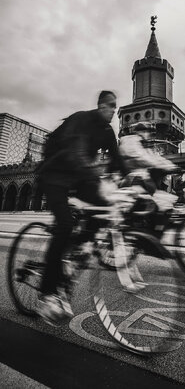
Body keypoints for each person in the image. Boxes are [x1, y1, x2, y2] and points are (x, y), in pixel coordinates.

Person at [36, 90, 127, 324]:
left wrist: (131, 180)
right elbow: (76, 153)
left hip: (80, 176)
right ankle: (47, 294)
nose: (113, 111)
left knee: (103, 211)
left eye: (115, 108)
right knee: (65, 224)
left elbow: (116, 160)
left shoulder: (107, 131)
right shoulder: (81, 119)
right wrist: (95, 175)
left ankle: (73, 253)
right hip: (55, 174)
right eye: (110, 106)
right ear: (100, 105)